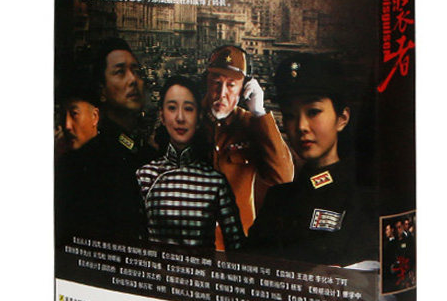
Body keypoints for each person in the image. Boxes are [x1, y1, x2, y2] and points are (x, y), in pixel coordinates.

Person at [245, 54, 376, 266]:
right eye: (290, 115)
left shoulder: (364, 199)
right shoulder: (278, 199)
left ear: (342, 118)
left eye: (313, 112)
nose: (301, 126)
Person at [201, 45, 293, 249]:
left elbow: (283, 178)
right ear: (206, 81)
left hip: (237, 246)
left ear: (244, 88)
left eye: (231, 85)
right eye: (216, 83)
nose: (222, 93)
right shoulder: (188, 120)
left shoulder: (252, 125)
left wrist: (259, 113)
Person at [136, 76, 244, 250]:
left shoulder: (215, 182)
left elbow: (237, 246)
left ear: (199, 117)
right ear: (162, 116)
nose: (180, 118)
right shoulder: (145, 176)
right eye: (172, 108)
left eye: (188, 109)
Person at [54, 68, 148, 247]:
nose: (66, 125)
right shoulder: (64, 160)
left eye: (74, 114)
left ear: (95, 116)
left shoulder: (114, 163)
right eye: (62, 115)